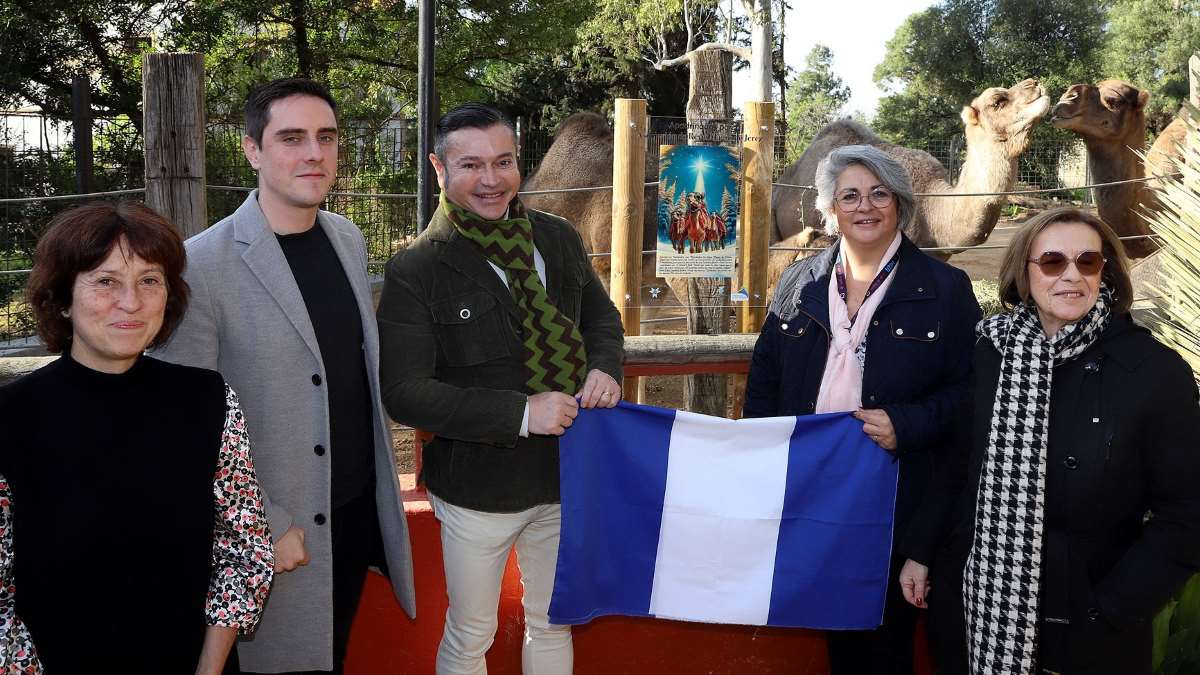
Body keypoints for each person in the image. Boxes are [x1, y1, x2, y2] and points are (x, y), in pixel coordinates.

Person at [154, 77, 416, 674]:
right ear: (253, 150)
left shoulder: (346, 238)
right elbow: (181, 420)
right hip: (273, 534)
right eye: (292, 138)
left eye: (327, 137)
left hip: (352, 515)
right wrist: (266, 524)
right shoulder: (200, 264)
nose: (314, 153)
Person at [377, 103, 625, 675]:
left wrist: (604, 367)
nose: (491, 180)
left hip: (564, 475)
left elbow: (600, 318)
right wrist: (520, 414)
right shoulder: (417, 268)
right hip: (477, 491)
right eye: (471, 165)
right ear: (439, 168)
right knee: (472, 632)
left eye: (503, 162)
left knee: (553, 620)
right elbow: (405, 392)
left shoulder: (557, 237)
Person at [0, 202, 273, 674]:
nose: (131, 302)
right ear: (62, 299)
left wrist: (209, 671)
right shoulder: (11, 417)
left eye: (149, 280)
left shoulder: (209, 401)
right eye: (105, 281)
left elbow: (243, 549)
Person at [925, 207, 1200, 675]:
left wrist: (1111, 609)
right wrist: (923, 553)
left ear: (1105, 272)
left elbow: (1188, 514)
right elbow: (957, 468)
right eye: (1053, 262)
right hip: (976, 613)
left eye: (1087, 262)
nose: (1071, 275)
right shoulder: (990, 353)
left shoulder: (1155, 372)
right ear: (1024, 272)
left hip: (1091, 631)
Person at [744, 144, 981, 674]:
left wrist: (908, 423)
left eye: (879, 194)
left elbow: (968, 398)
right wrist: (760, 473)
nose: (865, 206)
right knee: (842, 644)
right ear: (831, 209)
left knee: (886, 647)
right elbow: (765, 385)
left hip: (899, 502)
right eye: (849, 196)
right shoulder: (798, 283)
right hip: (813, 497)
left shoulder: (945, 289)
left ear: (899, 203)